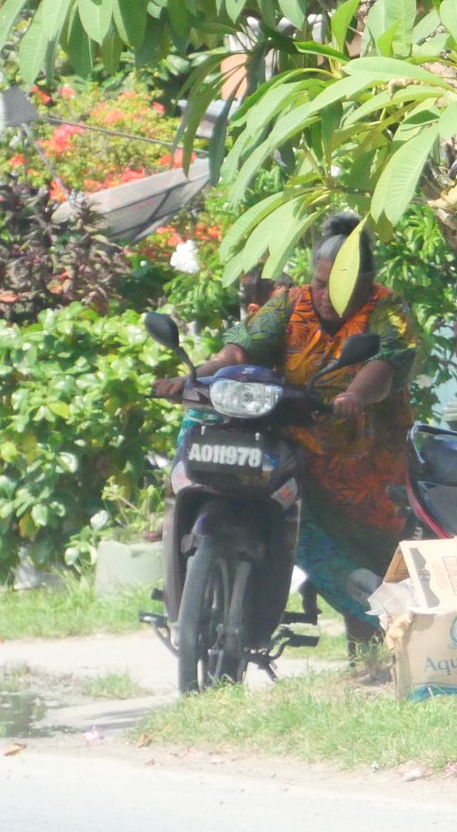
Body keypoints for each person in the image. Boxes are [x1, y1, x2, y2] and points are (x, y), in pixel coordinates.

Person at [157, 213, 421, 631]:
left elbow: (385, 366)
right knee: (201, 414)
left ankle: (378, 630)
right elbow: (238, 353)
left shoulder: (388, 310)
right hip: (290, 430)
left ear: (364, 282)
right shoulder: (289, 302)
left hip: (362, 453)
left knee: (369, 550)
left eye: (338, 287)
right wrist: (194, 376)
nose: (324, 295)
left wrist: (354, 396)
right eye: (319, 283)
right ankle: (180, 500)